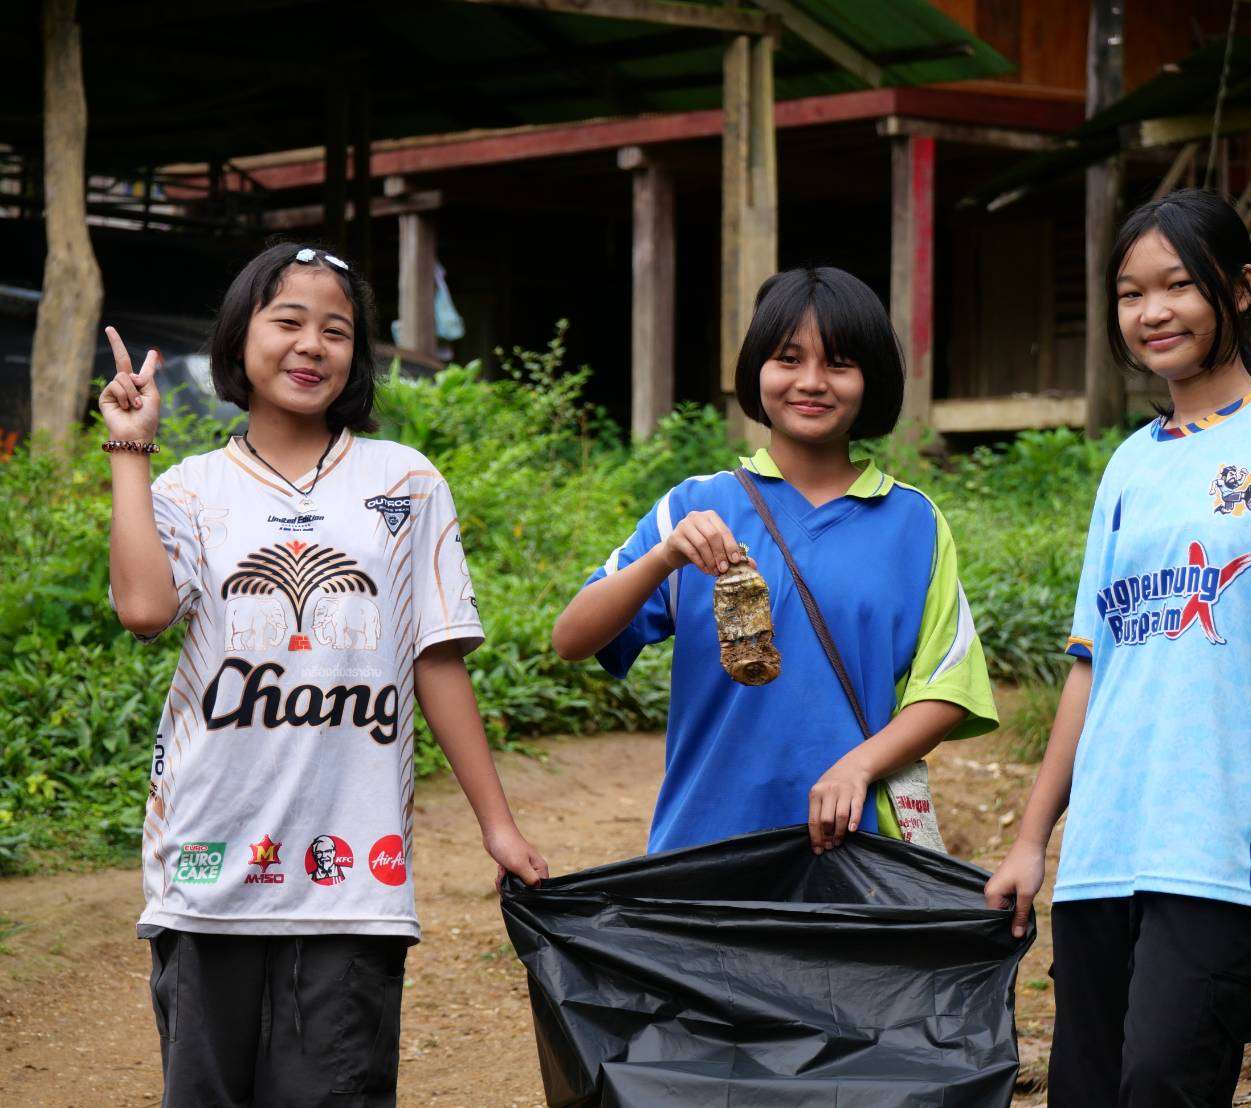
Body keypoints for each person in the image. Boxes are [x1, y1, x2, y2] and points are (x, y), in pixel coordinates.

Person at [101, 242, 547, 1106]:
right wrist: (130, 451)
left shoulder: (405, 483)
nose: (311, 346)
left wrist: (497, 824)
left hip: (356, 874)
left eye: (335, 331)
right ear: (241, 339)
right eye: (289, 322)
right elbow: (145, 610)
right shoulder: (191, 489)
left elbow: (436, 656)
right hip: (207, 863)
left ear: (356, 357)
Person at [984, 189, 1251, 1106]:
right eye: (1129, 293)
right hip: (1104, 845)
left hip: (1223, 834)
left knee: (1165, 1083)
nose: (1151, 311)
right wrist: (1031, 839)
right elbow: (1092, 662)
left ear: (1238, 290)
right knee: (1084, 1092)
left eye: (1177, 285)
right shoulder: (1127, 464)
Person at [552, 265, 997, 856]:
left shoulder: (913, 524)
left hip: (852, 851)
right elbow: (572, 638)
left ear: (872, 380)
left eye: (839, 363)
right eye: (788, 358)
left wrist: (858, 767)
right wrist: (662, 558)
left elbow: (949, 689)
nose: (811, 382)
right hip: (703, 848)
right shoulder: (694, 507)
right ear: (756, 368)